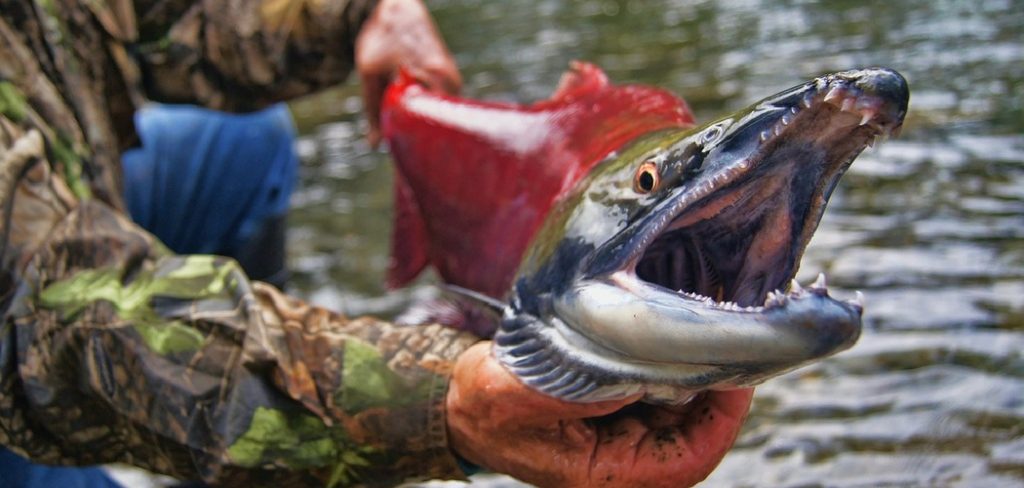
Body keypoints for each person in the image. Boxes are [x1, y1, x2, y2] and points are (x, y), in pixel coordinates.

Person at [0, 1, 753, 487]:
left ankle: (248, 433)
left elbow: (152, 16)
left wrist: (360, 14)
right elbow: (42, 314)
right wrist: (436, 401)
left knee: (246, 149)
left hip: (60, 188)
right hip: (21, 317)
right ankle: (237, 439)